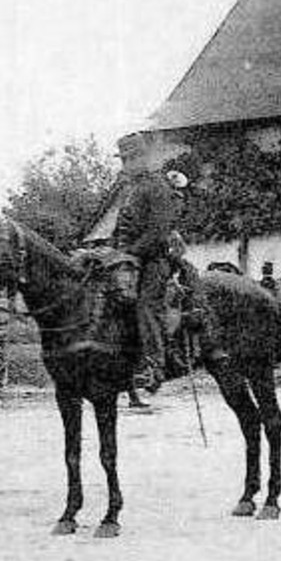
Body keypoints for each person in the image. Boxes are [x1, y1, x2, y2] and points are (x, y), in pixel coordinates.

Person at [113, 165, 185, 392]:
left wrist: (132, 251)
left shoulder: (158, 188)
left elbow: (158, 231)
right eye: (125, 159)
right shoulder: (131, 189)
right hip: (131, 256)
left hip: (155, 259)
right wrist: (115, 251)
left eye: (132, 158)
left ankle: (155, 365)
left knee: (145, 305)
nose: (127, 164)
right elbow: (121, 228)